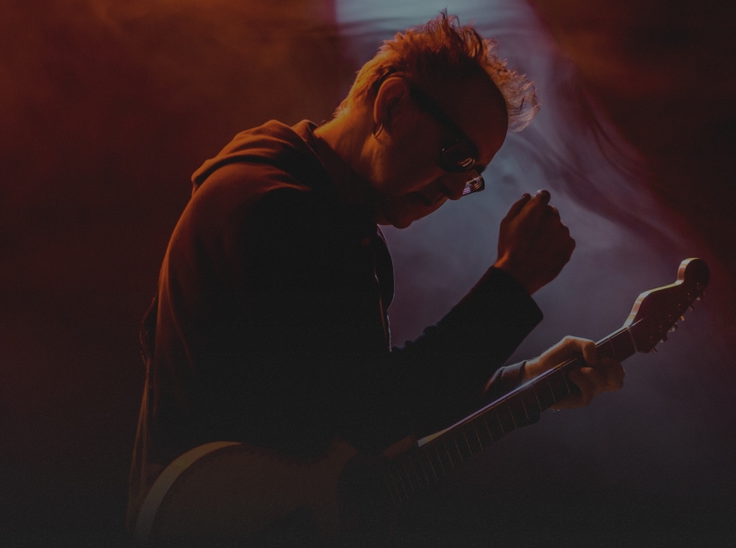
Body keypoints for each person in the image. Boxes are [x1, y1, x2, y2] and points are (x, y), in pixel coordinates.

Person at [126, 13, 624, 536]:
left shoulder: (337, 226)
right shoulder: (271, 206)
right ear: (392, 104)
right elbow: (371, 415)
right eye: (457, 156)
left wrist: (526, 382)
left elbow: (369, 419)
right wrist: (512, 282)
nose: (455, 191)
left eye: (472, 176)